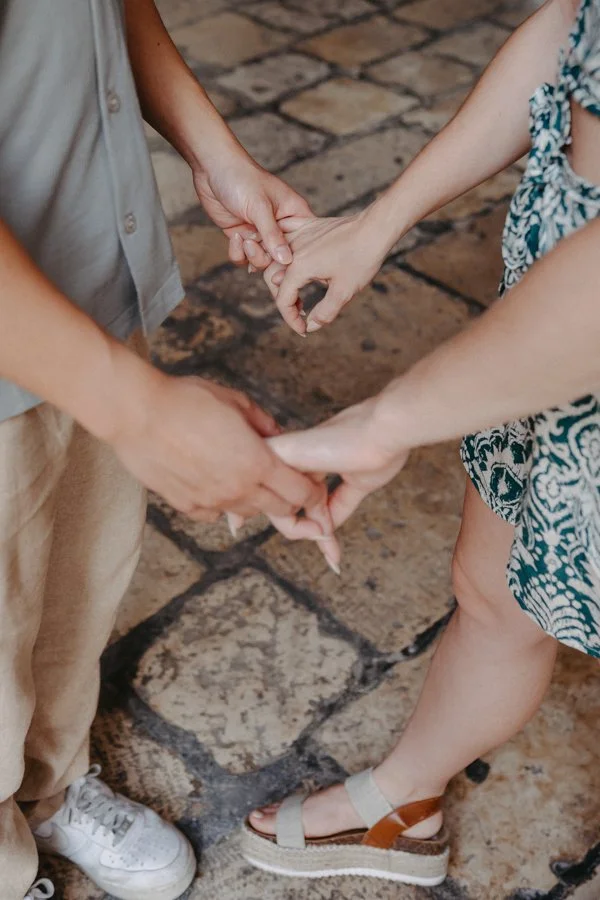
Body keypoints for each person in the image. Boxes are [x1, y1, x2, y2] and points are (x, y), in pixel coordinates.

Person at [241, 0, 600, 885]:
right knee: (494, 590)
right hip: (549, 322)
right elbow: (572, 27)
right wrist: (378, 222)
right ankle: (402, 803)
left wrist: (387, 421)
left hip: (580, 318)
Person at [0, 2, 334, 899]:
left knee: (78, 572)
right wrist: (141, 411)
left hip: (82, 265)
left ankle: (49, 782)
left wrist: (214, 154)